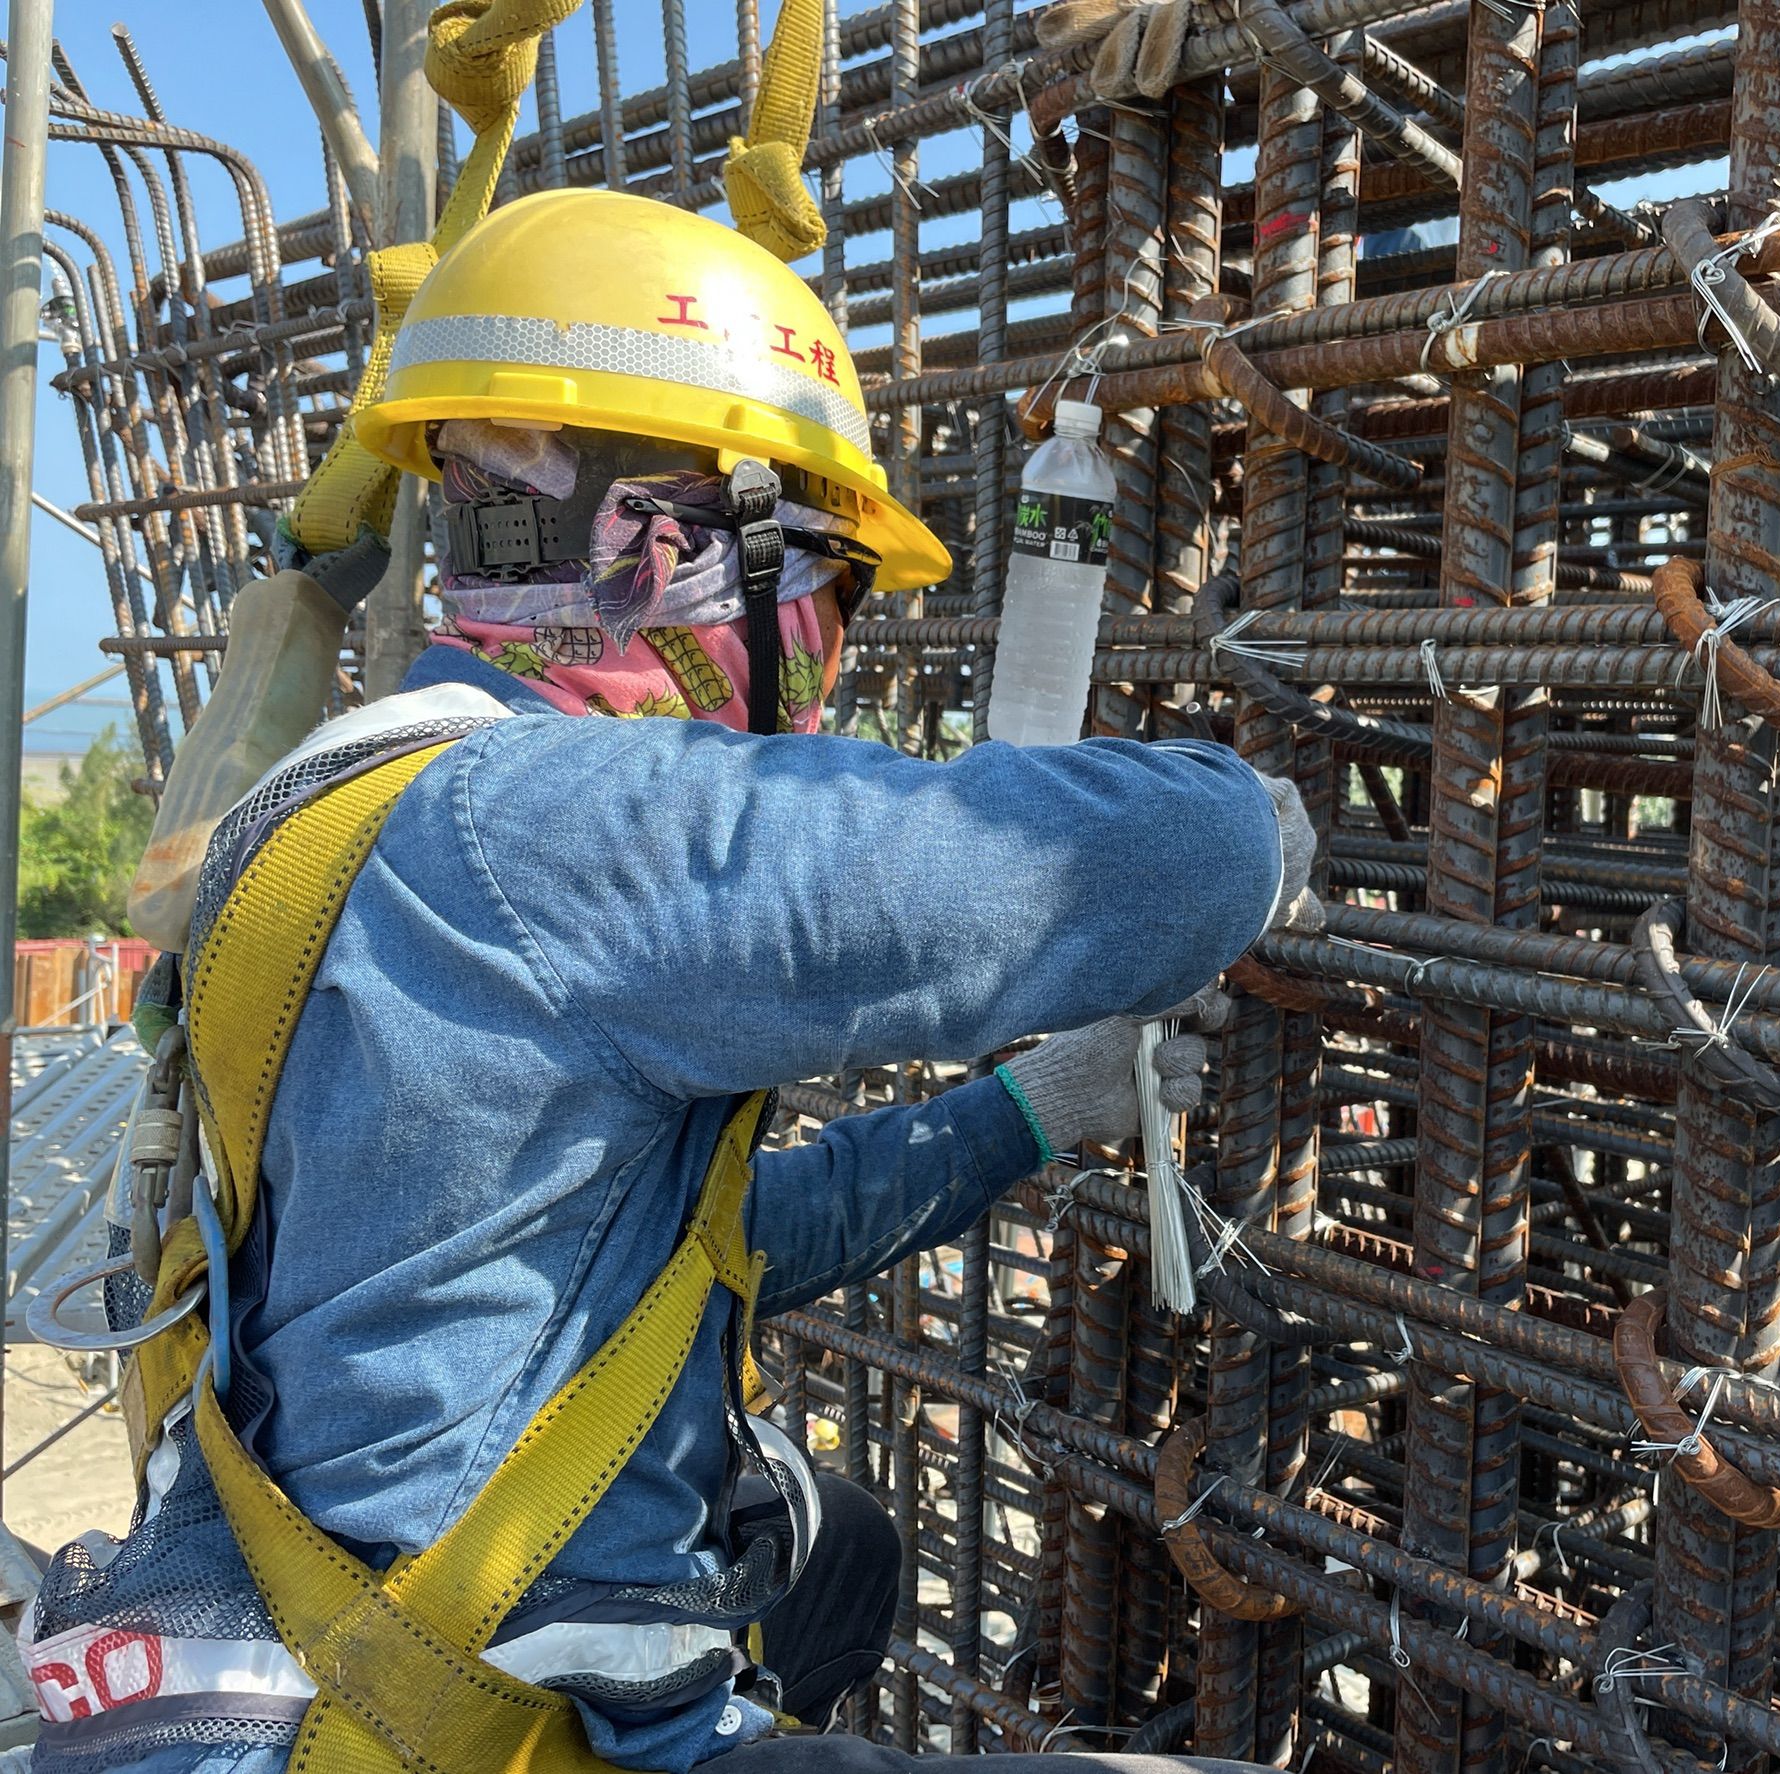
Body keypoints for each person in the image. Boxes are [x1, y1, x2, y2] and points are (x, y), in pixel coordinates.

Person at [19, 189, 1313, 1774]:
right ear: (674, 542)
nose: (832, 643)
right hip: (443, 1730)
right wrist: (1266, 825)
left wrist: (1022, 1118)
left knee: (830, 1548)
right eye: (830, 579)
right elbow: (1152, 866)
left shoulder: (354, 803)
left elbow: (680, 1250)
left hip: (321, 1665)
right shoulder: (560, 828)